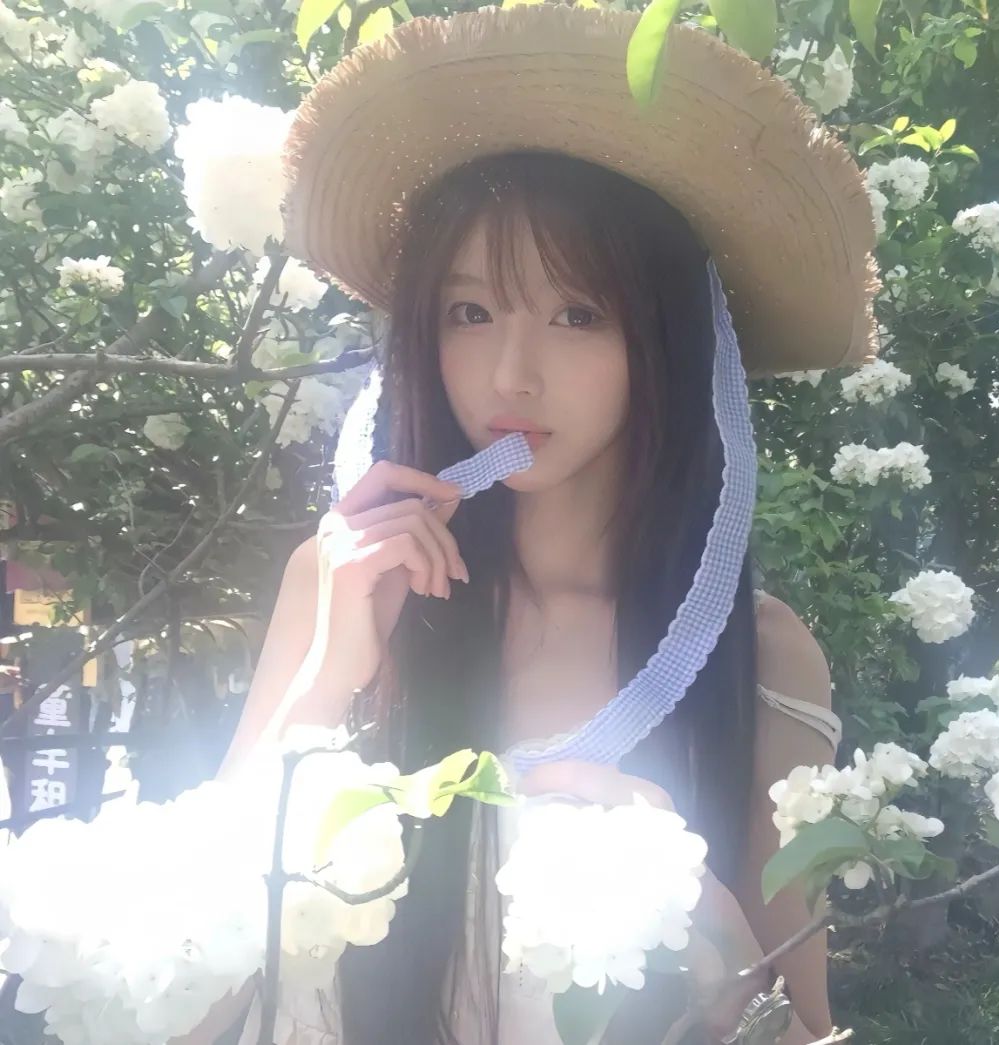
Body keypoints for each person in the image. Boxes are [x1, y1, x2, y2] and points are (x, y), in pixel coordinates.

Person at [192, 5, 881, 1044]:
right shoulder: (343, 582)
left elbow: (806, 1026)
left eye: (577, 314)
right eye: (470, 313)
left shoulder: (759, 655)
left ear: (665, 344)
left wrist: (708, 930)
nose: (511, 376)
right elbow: (195, 986)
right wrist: (331, 676)